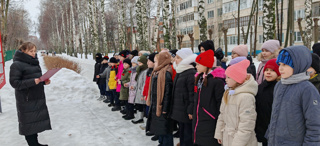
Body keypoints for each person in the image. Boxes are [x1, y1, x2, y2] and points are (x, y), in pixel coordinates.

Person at [266, 46, 320, 145]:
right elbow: (275, 115)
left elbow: (315, 125)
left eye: (285, 65)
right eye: (279, 64)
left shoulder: (307, 89)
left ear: (298, 65)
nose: (280, 68)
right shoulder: (279, 85)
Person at [9, 42, 51, 146]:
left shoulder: (34, 63)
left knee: (34, 123)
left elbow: (36, 79)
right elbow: (15, 83)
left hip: (37, 97)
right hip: (26, 100)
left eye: (34, 51)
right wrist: (33, 81)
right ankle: (33, 144)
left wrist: (44, 82)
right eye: (30, 51)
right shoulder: (16, 65)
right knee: (29, 124)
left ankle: (35, 143)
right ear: (23, 51)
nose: (33, 53)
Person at [215, 59, 258, 146]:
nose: (226, 80)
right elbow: (222, 115)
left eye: (229, 77)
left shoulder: (246, 97)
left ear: (237, 78)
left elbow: (246, 125)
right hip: (228, 138)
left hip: (242, 142)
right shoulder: (228, 93)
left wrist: (237, 144)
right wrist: (219, 133)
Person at [193, 50, 225, 146]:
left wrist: (213, 116)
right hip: (199, 118)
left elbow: (220, 103)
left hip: (210, 119)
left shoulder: (216, 82)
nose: (196, 66)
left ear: (206, 65)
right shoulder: (200, 78)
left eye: (198, 64)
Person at [169, 48, 197, 146]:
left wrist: (190, 110)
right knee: (182, 131)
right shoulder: (180, 71)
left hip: (185, 109)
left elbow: (192, 94)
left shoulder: (190, 73)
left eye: (178, 58)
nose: (175, 60)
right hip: (180, 108)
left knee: (188, 133)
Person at [147, 52, 174, 146]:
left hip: (162, 106)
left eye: (155, 61)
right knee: (160, 127)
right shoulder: (157, 71)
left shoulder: (166, 73)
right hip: (157, 104)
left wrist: (165, 108)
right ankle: (162, 142)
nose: (154, 63)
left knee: (165, 128)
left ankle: (167, 144)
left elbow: (167, 93)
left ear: (161, 61)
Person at [255, 59, 280, 146]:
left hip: (274, 127)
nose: (268, 73)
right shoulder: (260, 87)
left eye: (273, 70)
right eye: (266, 70)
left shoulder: (279, 88)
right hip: (262, 126)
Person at [132, 54, 149, 124]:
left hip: (141, 93)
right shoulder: (140, 71)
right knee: (139, 106)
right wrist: (135, 86)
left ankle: (142, 118)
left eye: (140, 63)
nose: (139, 65)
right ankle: (139, 117)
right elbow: (138, 81)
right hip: (138, 91)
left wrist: (143, 94)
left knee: (142, 106)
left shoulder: (145, 72)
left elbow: (144, 84)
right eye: (138, 63)